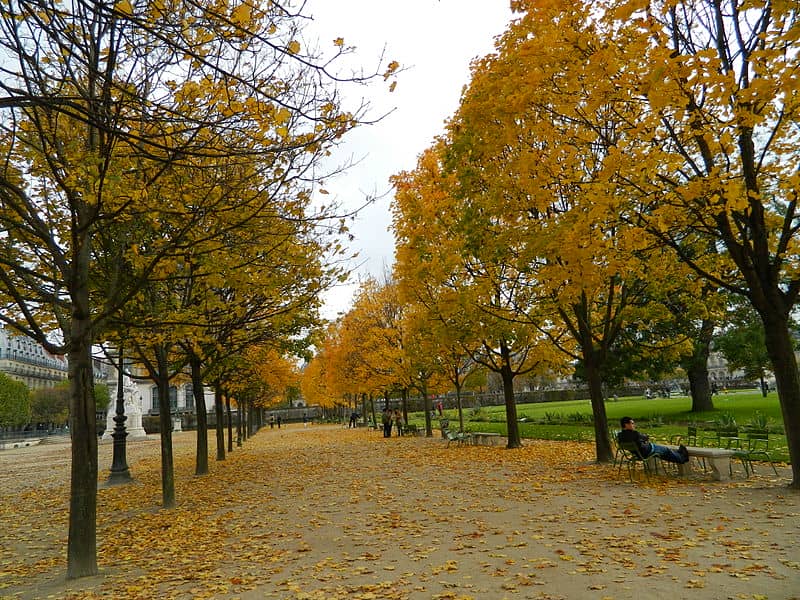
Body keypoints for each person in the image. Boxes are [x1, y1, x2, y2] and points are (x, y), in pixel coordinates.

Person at [617, 416, 689, 463]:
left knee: (664, 454)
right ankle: (681, 458)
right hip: (647, 451)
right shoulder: (634, 434)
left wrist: (642, 441)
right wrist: (643, 440)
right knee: (666, 450)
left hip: (638, 454)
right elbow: (645, 437)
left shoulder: (620, 435)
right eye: (632, 423)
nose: (634, 425)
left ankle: (679, 455)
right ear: (626, 425)